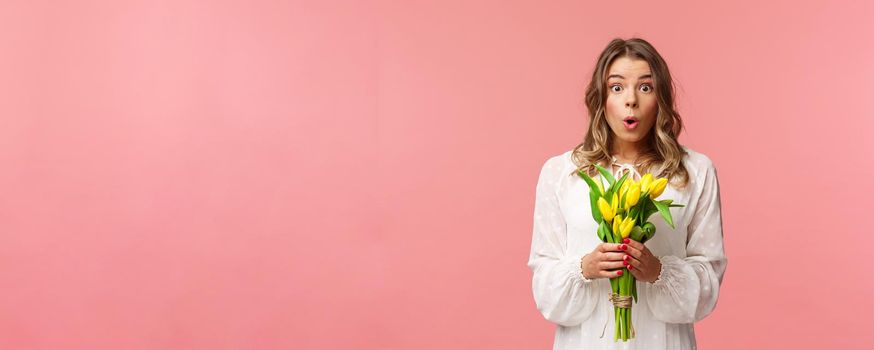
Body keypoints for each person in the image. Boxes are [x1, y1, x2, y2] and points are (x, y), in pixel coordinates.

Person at [526, 37, 727, 349]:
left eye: (645, 87)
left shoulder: (695, 172)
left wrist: (659, 271)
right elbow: (544, 287)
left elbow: (709, 283)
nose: (630, 100)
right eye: (617, 87)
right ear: (601, 97)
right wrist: (585, 268)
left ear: (660, 98)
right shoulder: (561, 173)